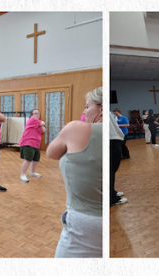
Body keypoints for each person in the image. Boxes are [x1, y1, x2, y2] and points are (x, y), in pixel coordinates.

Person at [51, 87, 104, 257]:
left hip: (86, 222)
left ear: (101, 107)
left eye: (87, 106)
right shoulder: (115, 135)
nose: (84, 111)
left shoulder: (76, 128)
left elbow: (51, 153)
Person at [19, 109, 47, 183]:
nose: (37, 115)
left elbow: (43, 130)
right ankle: (23, 174)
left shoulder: (37, 124)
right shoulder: (32, 120)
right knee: (28, 159)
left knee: (36, 159)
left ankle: (32, 172)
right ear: (31, 115)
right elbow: (43, 123)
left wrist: (41, 125)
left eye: (38, 113)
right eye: (35, 113)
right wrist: (41, 124)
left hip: (36, 144)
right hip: (28, 142)